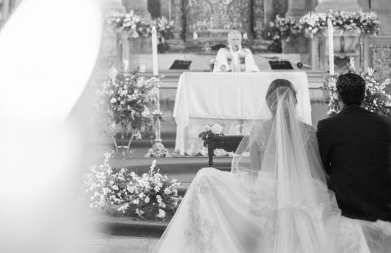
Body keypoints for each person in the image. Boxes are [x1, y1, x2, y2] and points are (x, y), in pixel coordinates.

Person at [155, 79, 390, 252]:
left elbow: (257, 174)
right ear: (295, 101)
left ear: (269, 104)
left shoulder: (259, 130)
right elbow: (316, 171)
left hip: (268, 191)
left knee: (206, 177)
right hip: (303, 191)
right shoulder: (308, 131)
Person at [317, 73, 391, 222]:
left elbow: (322, 167)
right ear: (363, 95)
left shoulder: (327, 126)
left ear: (338, 96)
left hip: (344, 207)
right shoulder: (386, 123)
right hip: (381, 204)